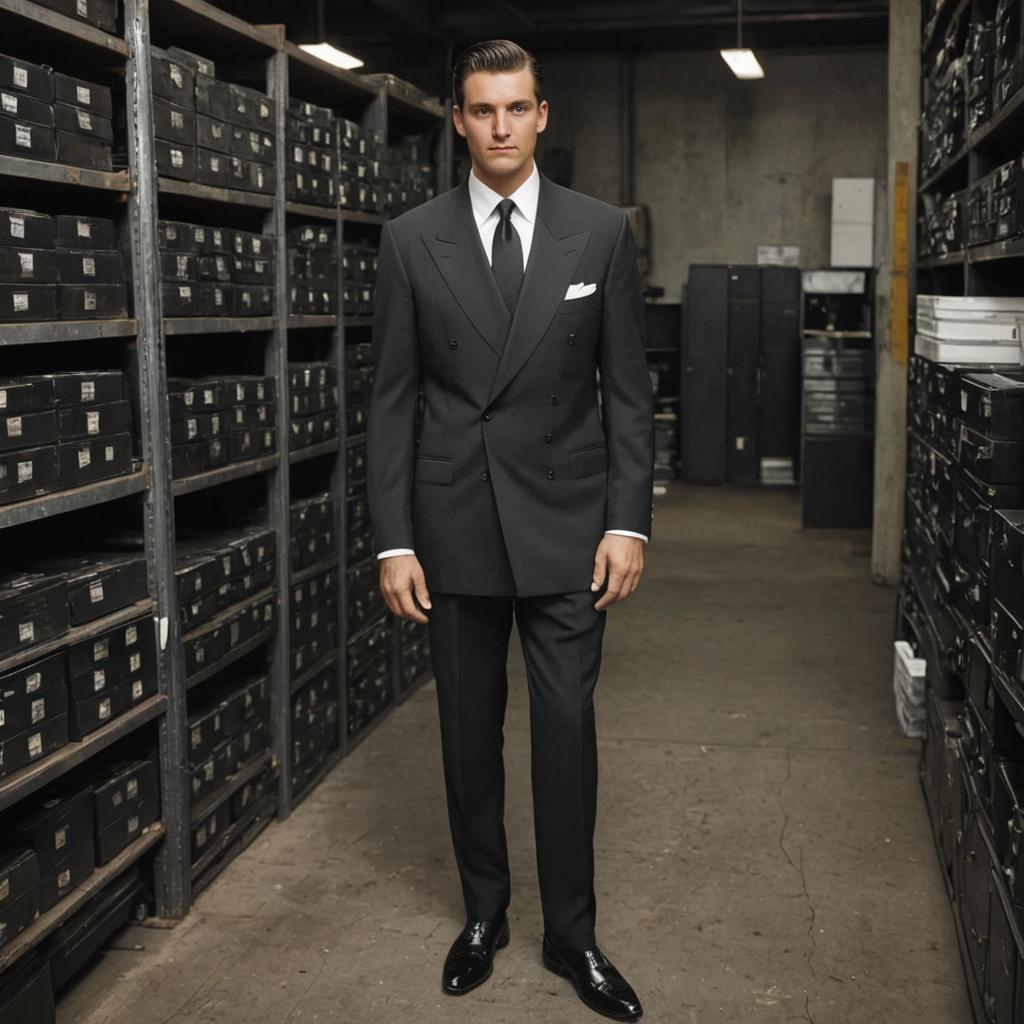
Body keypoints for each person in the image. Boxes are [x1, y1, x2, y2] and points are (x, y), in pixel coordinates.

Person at [367, 38, 654, 1021]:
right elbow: (392, 400)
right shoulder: (412, 239)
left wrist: (628, 520)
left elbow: (627, 393)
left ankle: (573, 935)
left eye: (516, 108)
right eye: (481, 110)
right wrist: (392, 538)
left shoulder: (599, 232)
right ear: (458, 119)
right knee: (465, 734)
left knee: (566, 732)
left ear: (543, 115)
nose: (499, 127)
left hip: (572, 527)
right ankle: (483, 912)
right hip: (454, 526)